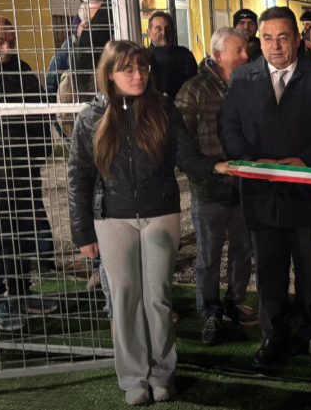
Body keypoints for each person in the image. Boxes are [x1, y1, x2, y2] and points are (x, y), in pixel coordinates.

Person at [69, 40, 230, 405]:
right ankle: (132, 380)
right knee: (126, 299)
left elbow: (185, 155)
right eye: (128, 69)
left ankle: (162, 375)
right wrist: (82, 232)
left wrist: (216, 166)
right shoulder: (90, 117)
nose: (138, 75)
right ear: (110, 74)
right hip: (112, 220)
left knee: (157, 297)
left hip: (161, 214)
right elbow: (78, 176)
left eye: (143, 68)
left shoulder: (163, 108)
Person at [219, 6, 311, 368]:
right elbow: (228, 127)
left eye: (283, 37)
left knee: (309, 272)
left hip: (305, 191)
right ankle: (273, 335)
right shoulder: (242, 79)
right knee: (270, 273)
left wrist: (304, 160)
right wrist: (251, 162)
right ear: (258, 40)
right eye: (268, 38)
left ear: (297, 39)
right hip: (260, 193)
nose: (275, 45)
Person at [174, 27, 257, 346]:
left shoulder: (248, 86)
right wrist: (206, 172)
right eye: (239, 50)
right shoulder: (193, 90)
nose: (246, 56)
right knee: (208, 256)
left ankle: (233, 303)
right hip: (210, 190)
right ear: (218, 54)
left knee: (242, 251)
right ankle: (210, 312)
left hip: (244, 187)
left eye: (246, 50)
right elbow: (183, 145)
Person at [0, 16, 58, 331]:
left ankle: (20, 291)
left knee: (23, 233)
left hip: (23, 170)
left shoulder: (24, 71)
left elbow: (40, 117)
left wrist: (39, 152)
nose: (5, 47)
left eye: (9, 40)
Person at [145, 12, 198, 100]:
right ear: (149, 32)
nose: (164, 33)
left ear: (174, 31)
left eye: (167, 28)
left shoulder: (184, 54)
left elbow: (194, 83)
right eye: (158, 29)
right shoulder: (145, 56)